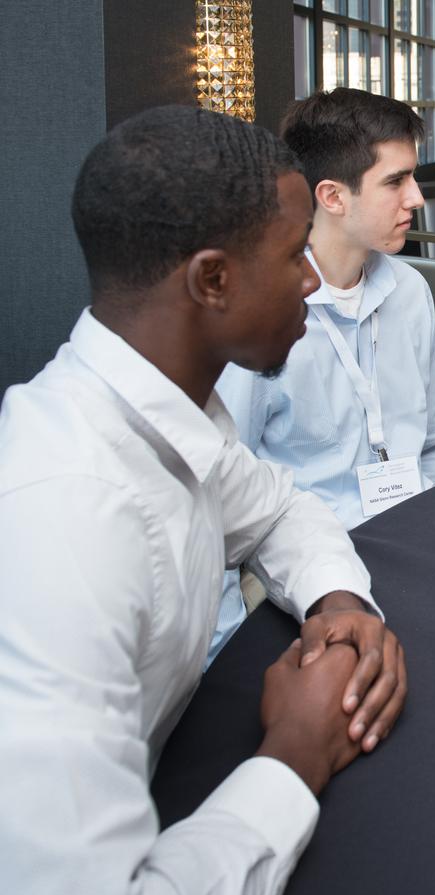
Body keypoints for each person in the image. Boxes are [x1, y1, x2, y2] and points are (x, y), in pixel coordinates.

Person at [0, 105, 408, 891]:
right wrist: (296, 749)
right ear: (213, 280)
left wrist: (339, 600)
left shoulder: (161, 407)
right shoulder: (68, 522)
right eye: (294, 257)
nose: (311, 281)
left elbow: (281, 510)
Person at [212, 88, 435, 661]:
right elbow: (218, 498)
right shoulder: (262, 314)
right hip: (298, 580)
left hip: (415, 547)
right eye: (396, 182)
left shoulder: (411, 291)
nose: (416, 197)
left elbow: (434, 446)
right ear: (331, 196)